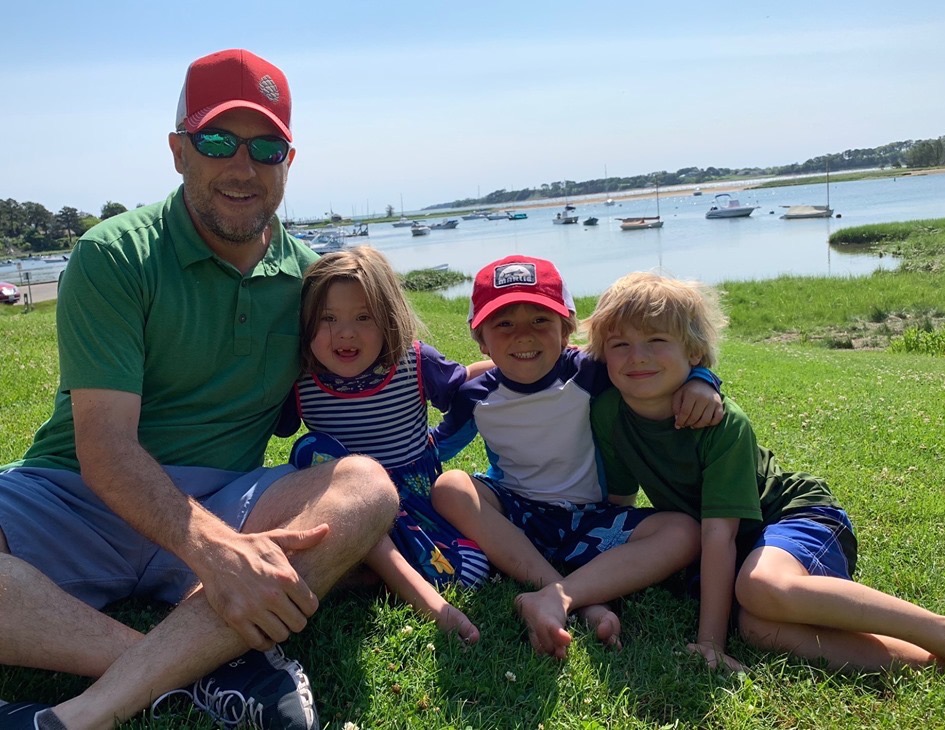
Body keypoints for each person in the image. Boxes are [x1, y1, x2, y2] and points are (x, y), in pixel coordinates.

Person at [0, 49, 398, 729]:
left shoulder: (310, 282)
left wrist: (494, 374)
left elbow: (383, 353)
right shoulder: (114, 254)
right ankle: (204, 664)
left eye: (266, 146)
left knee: (366, 489)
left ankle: (80, 714)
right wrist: (217, 554)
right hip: (76, 495)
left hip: (228, 495)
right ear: (179, 150)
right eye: (218, 141)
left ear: (288, 161)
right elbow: (103, 451)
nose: (243, 167)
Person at [586, 271, 945, 672]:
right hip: (744, 546)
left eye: (656, 341)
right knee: (755, 627)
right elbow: (619, 507)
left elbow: (718, 533)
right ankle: (929, 664)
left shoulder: (721, 422)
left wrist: (710, 643)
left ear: (694, 352)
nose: (636, 356)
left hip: (796, 515)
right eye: (619, 344)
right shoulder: (608, 414)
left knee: (760, 586)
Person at [430, 254, 724, 660]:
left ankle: (556, 595)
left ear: (567, 328)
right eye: (504, 324)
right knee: (450, 486)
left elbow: (652, 368)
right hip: (517, 518)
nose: (523, 336)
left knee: (684, 532)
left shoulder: (590, 372)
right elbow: (432, 449)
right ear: (481, 338)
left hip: (593, 521)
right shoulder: (474, 396)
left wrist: (702, 380)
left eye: (540, 321)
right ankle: (577, 599)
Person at [276, 246, 489, 643]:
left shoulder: (414, 362)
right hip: (344, 507)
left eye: (363, 317)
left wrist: (439, 445)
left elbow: (466, 395)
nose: (345, 333)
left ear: (389, 318)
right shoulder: (301, 381)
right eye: (327, 319)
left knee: (470, 570)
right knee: (310, 449)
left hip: (409, 500)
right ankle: (395, 580)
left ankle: (376, 575)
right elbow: (273, 423)